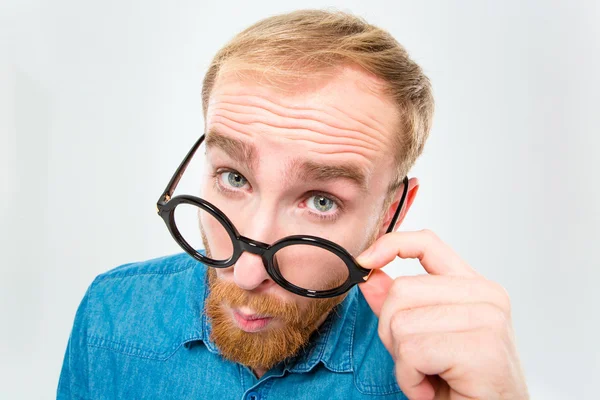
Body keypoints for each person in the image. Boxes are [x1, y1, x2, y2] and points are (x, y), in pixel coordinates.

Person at [57, 9, 528, 400]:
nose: (245, 274)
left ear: (391, 215)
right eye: (234, 177)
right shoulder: (111, 314)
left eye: (321, 201)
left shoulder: (431, 373)